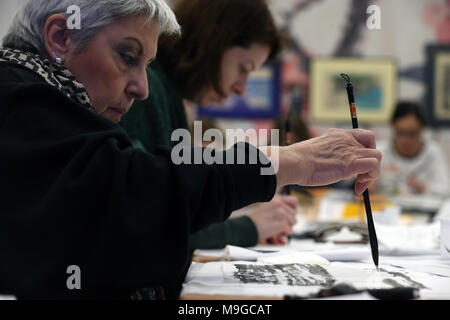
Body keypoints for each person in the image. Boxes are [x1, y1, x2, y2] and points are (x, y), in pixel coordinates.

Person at [0, 0, 381, 299]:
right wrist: (285, 163)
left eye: (146, 64)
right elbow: (135, 199)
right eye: (127, 57)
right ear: (62, 36)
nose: (142, 89)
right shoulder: (20, 99)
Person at [120, 0, 299, 249]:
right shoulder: (146, 93)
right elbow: (146, 223)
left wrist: (236, 201)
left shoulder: (167, 94)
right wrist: (249, 227)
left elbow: (173, 203)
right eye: (243, 69)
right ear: (214, 39)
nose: (240, 89)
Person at [376, 102, 449, 198]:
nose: (406, 140)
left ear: (421, 130)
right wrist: (373, 184)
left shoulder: (433, 152)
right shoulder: (380, 152)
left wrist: (422, 186)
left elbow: (446, 191)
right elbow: (356, 185)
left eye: (412, 133)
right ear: (393, 128)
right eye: (400, 133)